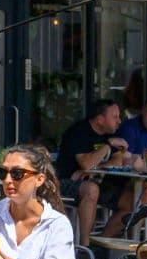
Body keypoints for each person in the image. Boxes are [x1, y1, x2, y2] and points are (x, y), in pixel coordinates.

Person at [54, 99, 130, 248]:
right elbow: (87, 164)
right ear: (101, 119)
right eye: (114, 117)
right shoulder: (79, 132)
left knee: (132, 202)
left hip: (95, 180)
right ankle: (85, 247)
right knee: (91, 190)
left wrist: (96, 168)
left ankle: (100, 245)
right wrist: (108, 145)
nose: (119, 121)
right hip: (66, 181)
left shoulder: (109, 133)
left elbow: (119, 160)